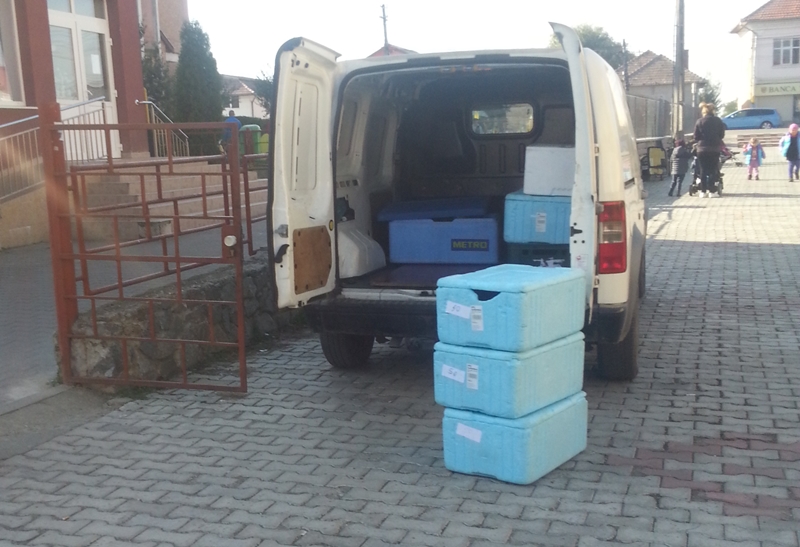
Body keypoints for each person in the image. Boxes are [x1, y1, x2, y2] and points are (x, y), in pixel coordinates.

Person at [692, 102, 726, 198]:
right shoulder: (718, 121)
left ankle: (703, 191)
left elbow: (696, 136)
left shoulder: (699, 121)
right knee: (712, 170)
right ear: (713, 111)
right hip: (714, 149)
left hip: (701, 149)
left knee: (703, 170)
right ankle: (712, 191)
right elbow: (722, 135)